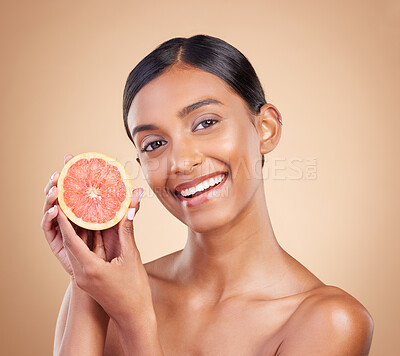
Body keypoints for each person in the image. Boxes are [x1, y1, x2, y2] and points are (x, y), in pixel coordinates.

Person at [41, 34, 374, 355]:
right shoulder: (105, 292)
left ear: (266, 129)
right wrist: (87, 276)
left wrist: (136, 321)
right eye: (154, 144)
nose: (182, 162)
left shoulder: (330, 322)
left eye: (205, 123)